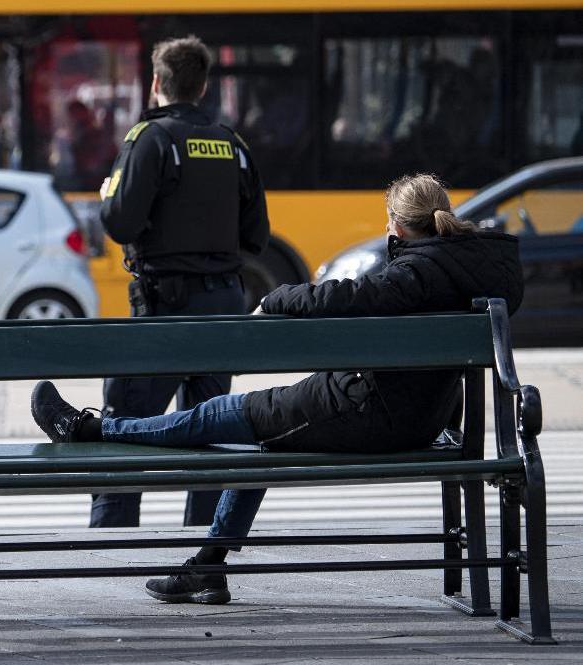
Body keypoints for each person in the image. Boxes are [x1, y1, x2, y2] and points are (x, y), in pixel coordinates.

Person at [31, 172, 523, 605]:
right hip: (411, 415)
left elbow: (351, 296)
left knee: (216, 415)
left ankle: (89, 428)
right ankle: (209, 565)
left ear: (396, 225)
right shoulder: (469, 267)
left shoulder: (416, 271)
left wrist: (279, 296)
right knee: (256, 440)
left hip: (369, 412)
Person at [92, 35, 270, 529]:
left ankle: (109, 548)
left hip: (162, 312)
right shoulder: (232, 144)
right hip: (222, 310)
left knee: (124, 430)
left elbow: (120, 223)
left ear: (155, 84)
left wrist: (110, 192)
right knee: (209, 434)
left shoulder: (148, 139)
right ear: (204, 85)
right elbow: (256, 237)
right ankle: (201, 551)